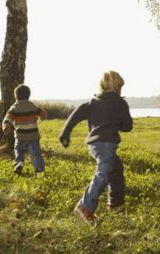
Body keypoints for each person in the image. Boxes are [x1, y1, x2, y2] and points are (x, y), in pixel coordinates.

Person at [59, 70, 133, 226]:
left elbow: (74, 116)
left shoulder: (92, 102)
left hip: (94, 144)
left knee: (116, 169)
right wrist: (119, 122)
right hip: (107, 144)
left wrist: (65, 133)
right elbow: (128, 126)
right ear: (119, 86)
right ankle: (85, 207)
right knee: (104, 172)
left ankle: (116, 204)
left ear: (101, 86)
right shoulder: (120, 103)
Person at [3, 84, 46, 175]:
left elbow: (8, 118)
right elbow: (42, 113)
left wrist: (6, 126)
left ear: (16, 96)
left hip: (20, 135)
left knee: (18, 149)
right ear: (29, 95)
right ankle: (39, 170)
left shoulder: (14, 107)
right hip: (33, 135)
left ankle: (19, 162)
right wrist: (42, 117)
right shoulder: (32, 105)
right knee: (35, 153)